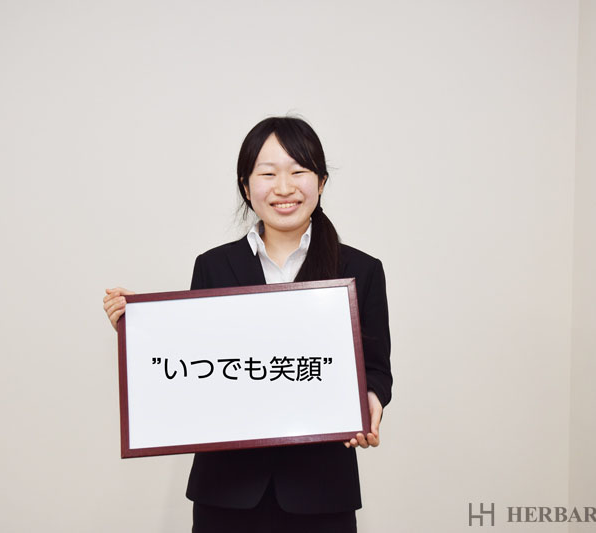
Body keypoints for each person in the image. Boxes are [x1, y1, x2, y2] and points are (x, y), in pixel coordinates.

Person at [103, 116, 392, 533]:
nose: (284, 187)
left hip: (321, 491)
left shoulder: (360, 270)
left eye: (298, 171)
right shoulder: (213, 266)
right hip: (226, 492)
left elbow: (377, 369)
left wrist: (369, 400)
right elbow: (195, 365)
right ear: (245, 186)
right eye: (268, 174)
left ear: (321, 182)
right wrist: (143, 333)